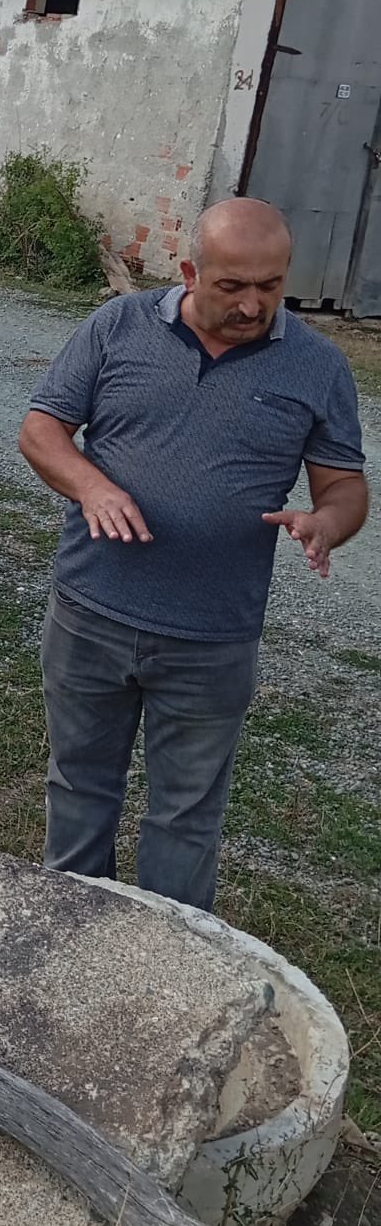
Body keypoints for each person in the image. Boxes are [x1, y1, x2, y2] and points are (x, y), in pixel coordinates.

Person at [19, 197, 368, 912]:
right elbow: (41, 431)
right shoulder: (117, 327)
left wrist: (326, 523)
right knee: (80, 788)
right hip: (91, 614)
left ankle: (170, 965)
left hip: (212, 638)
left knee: (186, 821)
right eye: (232, 286)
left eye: (270, 286)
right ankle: (70, 935)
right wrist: (92, 487)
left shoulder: (317, 366)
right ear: (189, 271)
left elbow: (345, 487)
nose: (253, 305)